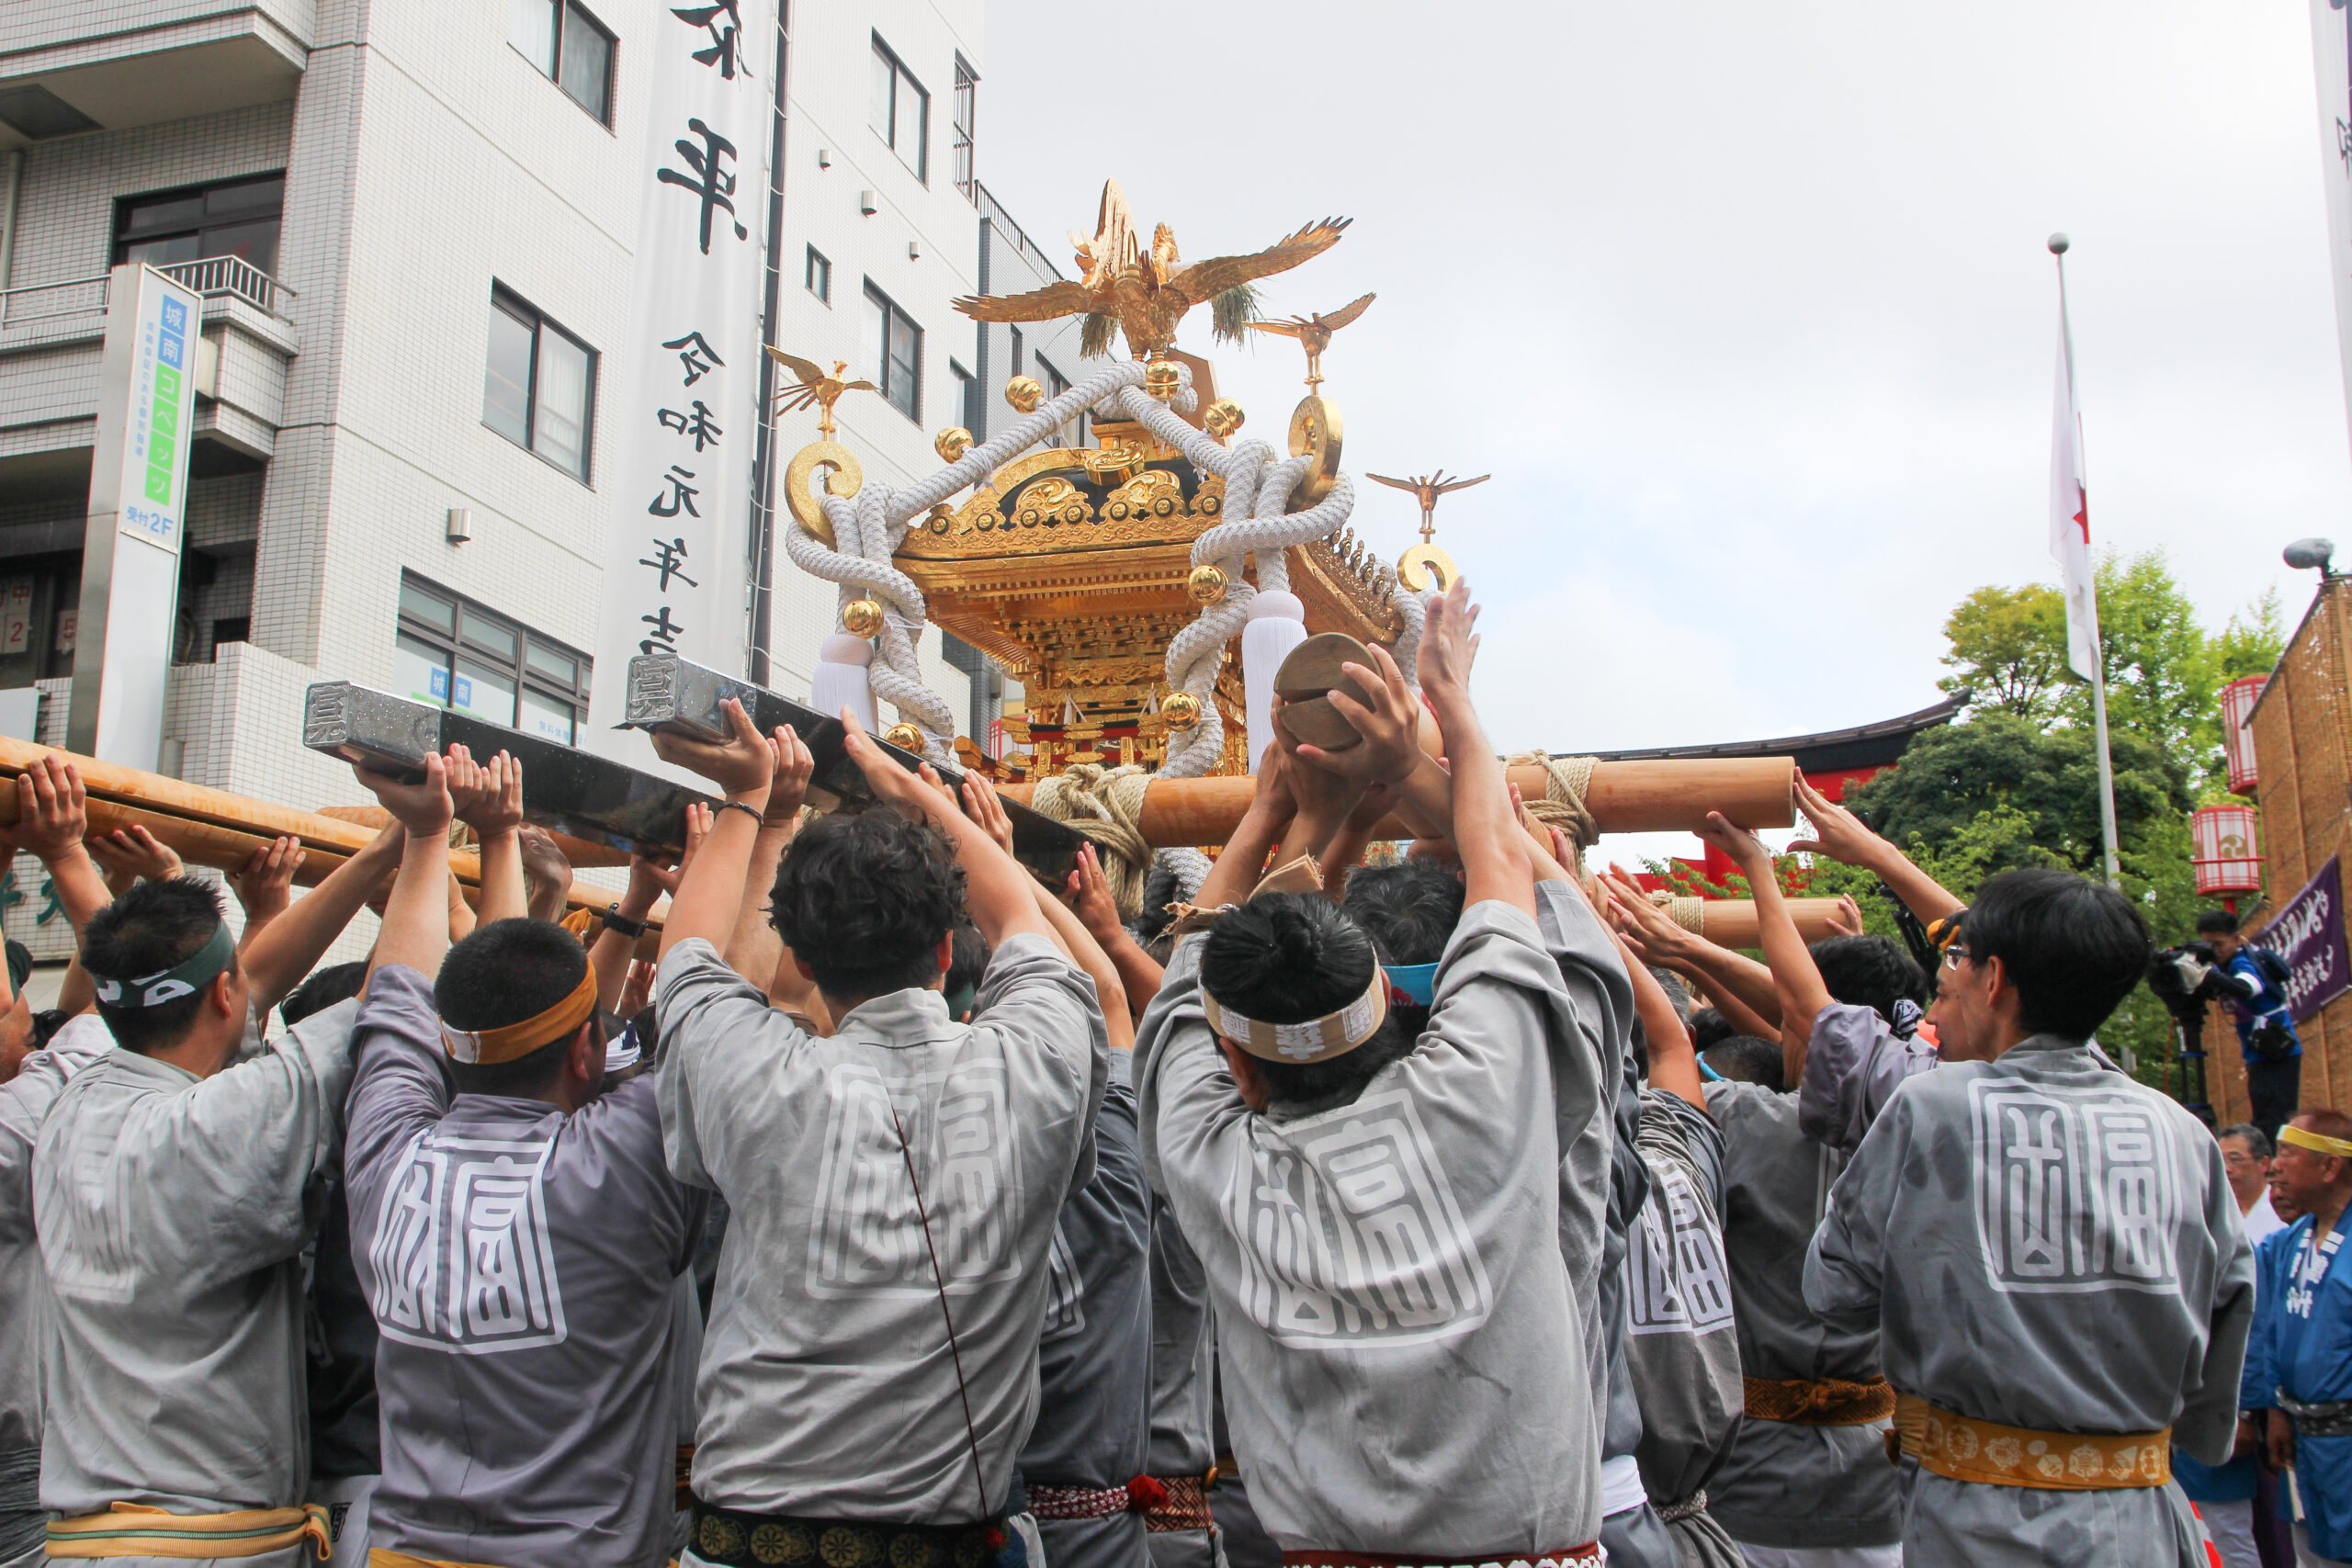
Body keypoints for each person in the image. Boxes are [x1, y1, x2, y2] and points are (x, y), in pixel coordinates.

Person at [1136, 578, 1612, 1568]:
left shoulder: (1209, 1158)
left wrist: (1281, 813)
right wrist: (1444, 719)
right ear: (1390, 1000)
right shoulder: (1478, 1088)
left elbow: (1182, 989)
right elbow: (1506, 869)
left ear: (1235, 1063)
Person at [650, 702, 1108, 1568]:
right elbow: (1019, 916)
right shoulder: (1033, 1059)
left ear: (804, 958)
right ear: (946, 950)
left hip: (744, 1541)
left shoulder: (754, 1069)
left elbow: (687, 959)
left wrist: (751, 800)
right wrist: (916, 794)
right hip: (953, 1543)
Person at [1805, 867, 2255, 1567]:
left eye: (1960, 956)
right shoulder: (2184, 1134)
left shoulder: (1932, 1107)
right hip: (2142, 1514)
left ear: (1995, 979)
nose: (1950, 972)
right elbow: (2229, 1311)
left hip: (1979, 1521)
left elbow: (1834, 1290)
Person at [338, 747, 715, 1568]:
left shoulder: (387, 1152)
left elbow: (395, 1000)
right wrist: (743, 833)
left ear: (448, 1047)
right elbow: (709, 1018)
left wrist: (427, 836)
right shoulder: (620, 1155)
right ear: (587, 1052)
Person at [31, 876, 362, 1565]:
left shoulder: (72, 1100)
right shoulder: (212, 1124)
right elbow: (390, 999)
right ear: (220, 992)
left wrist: (381, 852)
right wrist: (422, 840)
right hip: (197, 1544)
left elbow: (251, 983)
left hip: (81, 1541)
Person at [1623, 819, 1905, 1568]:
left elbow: (1675, 1054)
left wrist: (1639, 944)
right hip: (1879, 1478)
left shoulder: (1746, 1118)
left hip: (1753, 1476)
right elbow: (1811, 1035)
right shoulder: (1928, 1121)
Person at [1611, 941, 1745, 1568]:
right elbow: (1673, 1045)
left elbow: (1670, 1046)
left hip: (1607, 1527)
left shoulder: (1552, 1170)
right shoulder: (1680, 1149)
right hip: (1691, 1526)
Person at [2243, 1110, 2352, 1567]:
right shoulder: (2284, 1245)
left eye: (2288, 1153)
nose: (2275, 1167)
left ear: (2330, 1166)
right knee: (2309, 1555)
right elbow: (2269, 1332)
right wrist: (2274, 1413)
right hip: (2303, 1442)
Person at [2198, 909, 2301, 1142]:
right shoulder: (2223, 967)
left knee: (2275, 1120)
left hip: (2277, 1052)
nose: (2214, 951)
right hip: (2258, 1052)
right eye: (2208, 945)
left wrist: (2209, 976)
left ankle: (2274, 1160)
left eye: (2219, 944)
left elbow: (2249, 987)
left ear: (2236, 938)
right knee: (2264, 1117)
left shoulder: (2242, 962)